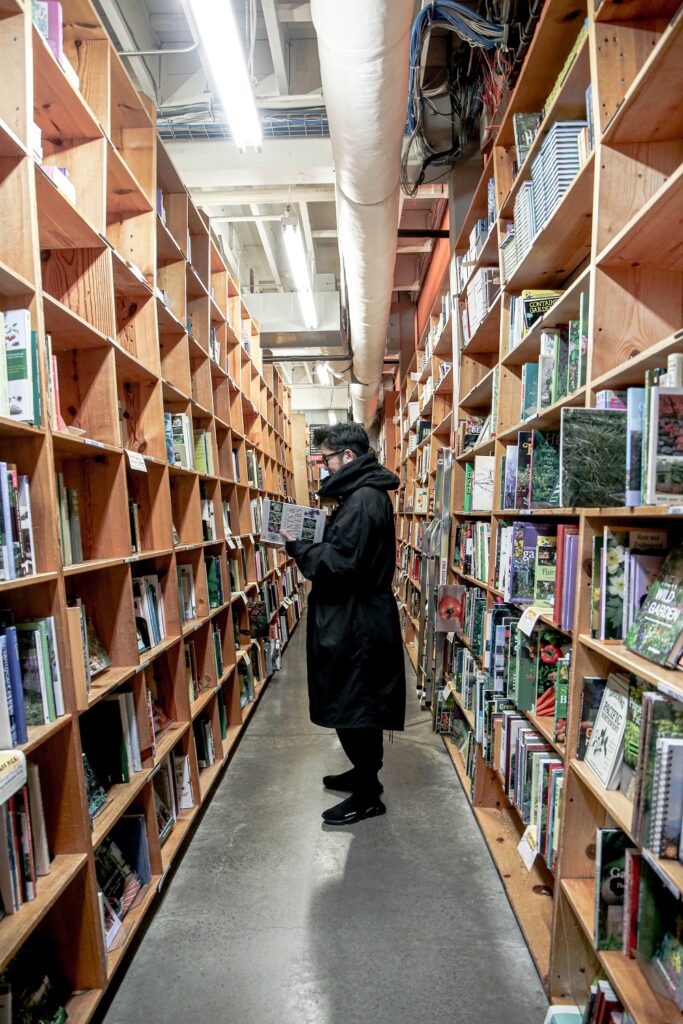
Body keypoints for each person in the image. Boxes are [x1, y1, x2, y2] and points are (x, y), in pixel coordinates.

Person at [280, 422, 406, 826]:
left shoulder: (365, 499)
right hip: (354, 618)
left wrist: (300, 547)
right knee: (351, 701)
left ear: (348, 457)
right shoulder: (359, 496)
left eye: (327, 459)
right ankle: (362, 773)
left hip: (358, 625)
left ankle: (369, 793)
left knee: (356, 704)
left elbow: (343, 563)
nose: (324, 467)